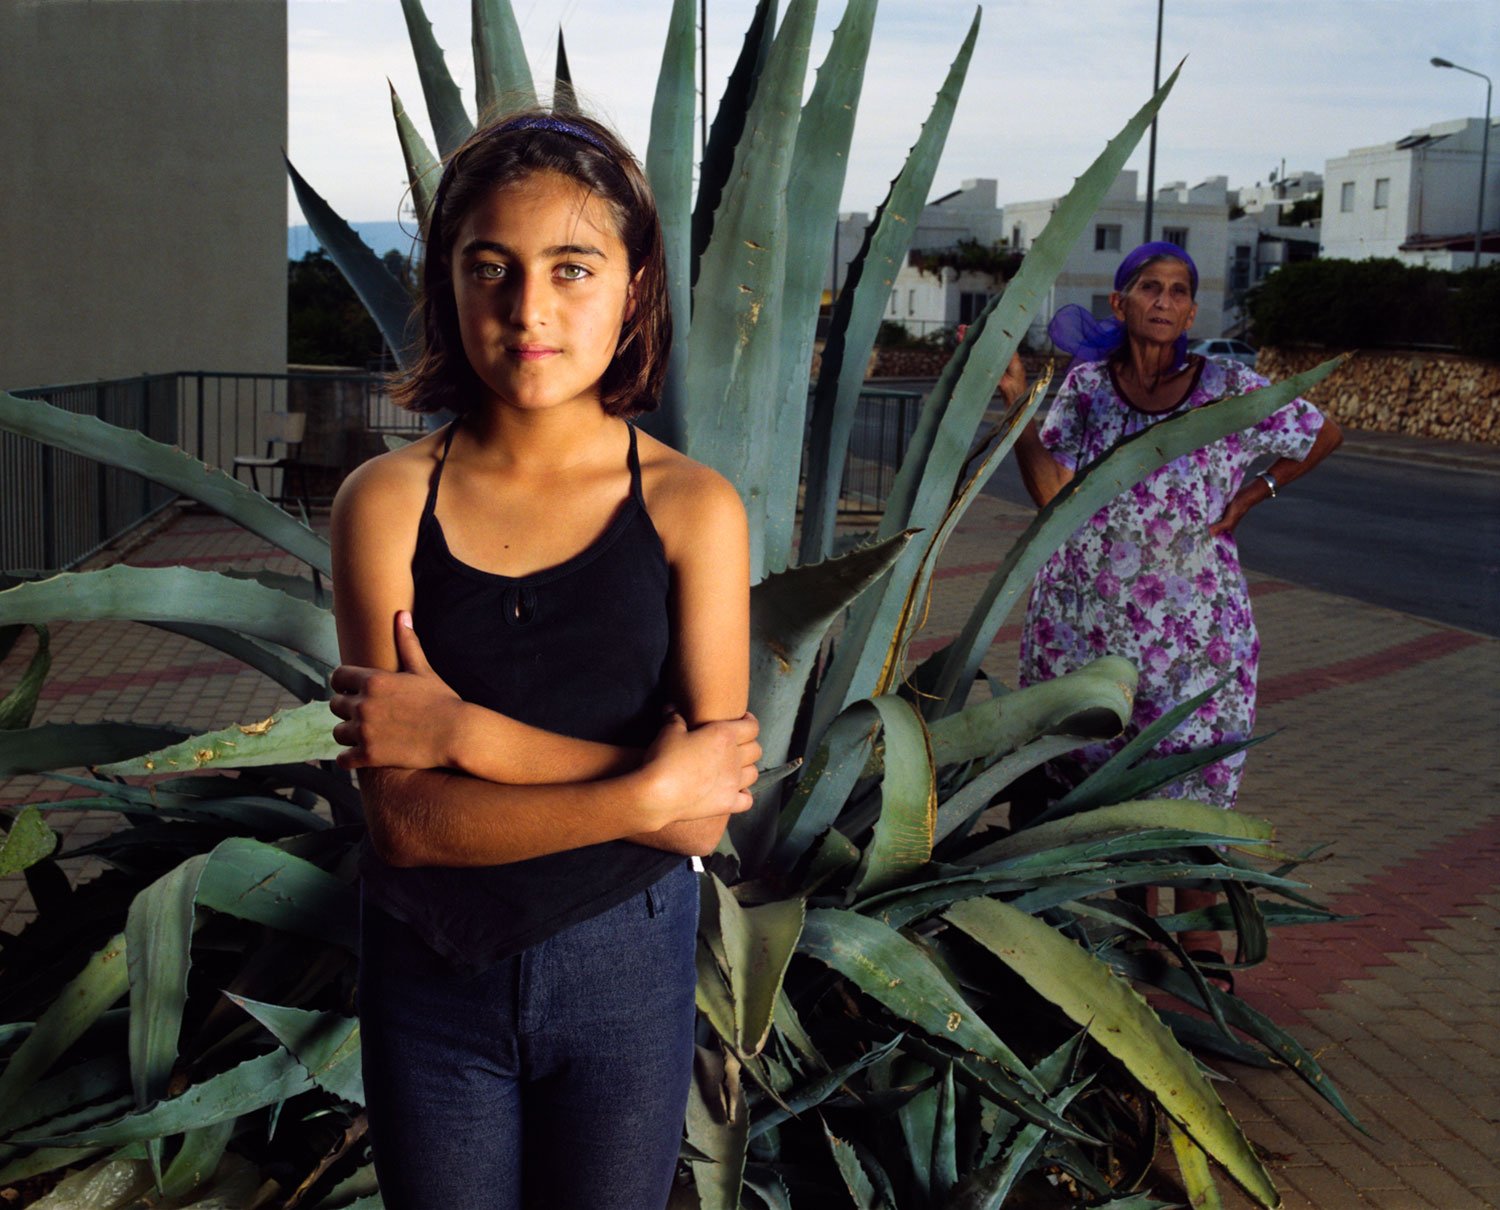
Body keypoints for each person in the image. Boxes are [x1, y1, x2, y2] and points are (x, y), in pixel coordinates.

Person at [325, 110, 762, 1209]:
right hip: (432, 975)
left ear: (635, 286)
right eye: (492, 268)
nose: (530, 310)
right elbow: (410, 825)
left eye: (573, 268)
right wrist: (644, 788)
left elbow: (704, 820)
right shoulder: (383, 505)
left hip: (629, 968)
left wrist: (466, 735)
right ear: (448, 283)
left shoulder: (694, 510)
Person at [1014, 241, 1342, 967]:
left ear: (1192, 311)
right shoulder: (1089, 388)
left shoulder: (1228, 385)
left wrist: (1258, 492)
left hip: (1193, 634)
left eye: (1177, 290)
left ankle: (1202, 965)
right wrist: (1014, 408)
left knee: (1188, 800)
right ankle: (1141, 949)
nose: (1163, 300)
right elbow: (1049, 493)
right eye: (1148, 287)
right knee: (1104, 786)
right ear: (1120, 303)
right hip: (1085, 625)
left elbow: (1322, 433)